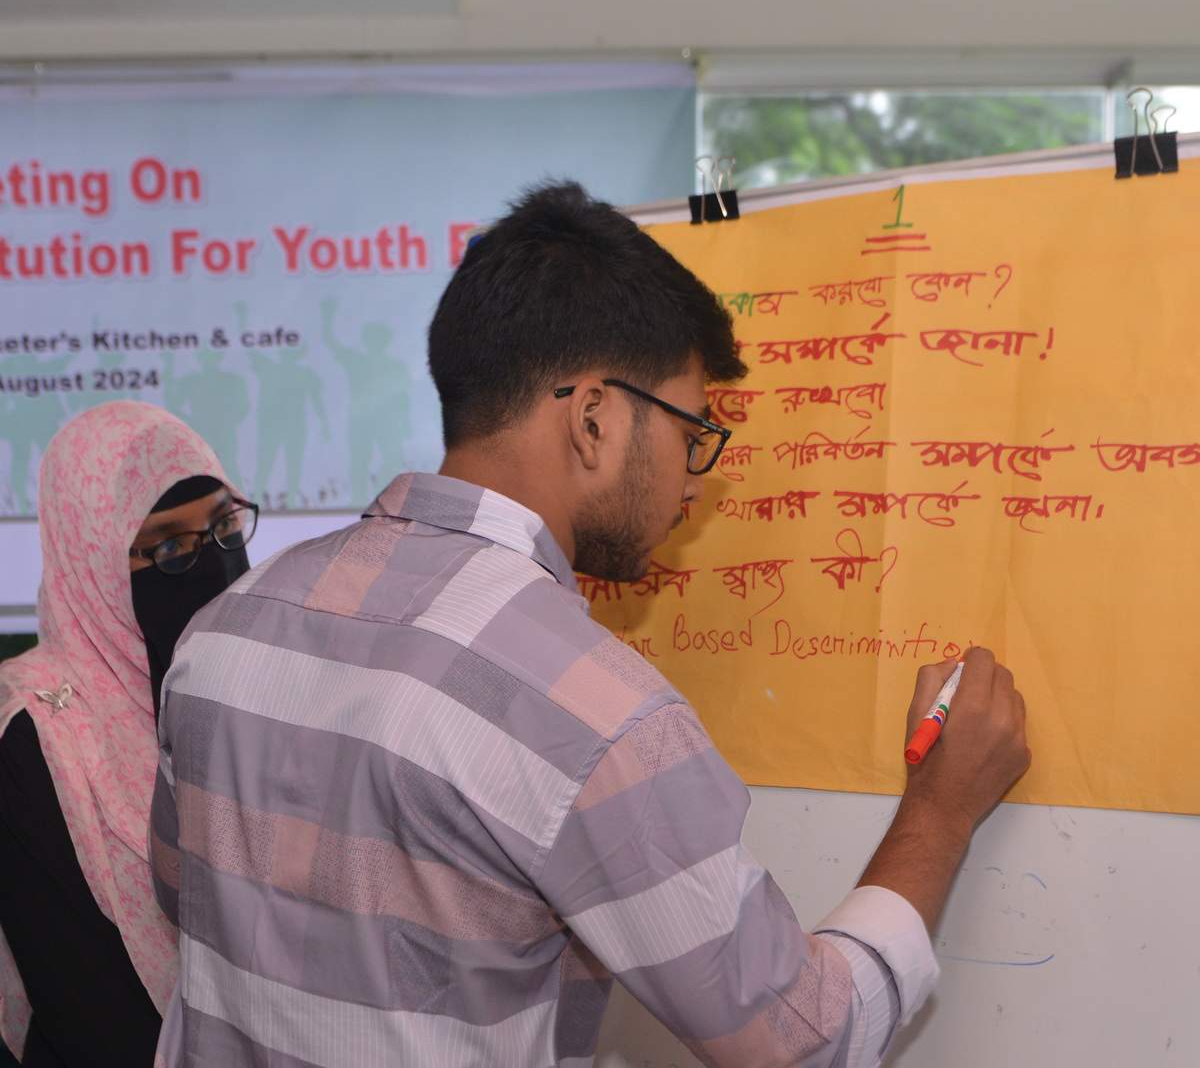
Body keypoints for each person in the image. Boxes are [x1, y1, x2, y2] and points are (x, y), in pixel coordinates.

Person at [151, 182, 1029, 1067]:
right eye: (693, 433)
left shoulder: (227, 628)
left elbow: (186, 893)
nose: (696, 481)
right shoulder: (592, 714)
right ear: (596, 418)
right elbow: (803, 1041)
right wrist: (941, 812)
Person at [0, 401, 258, 1066]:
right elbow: (82, 1000)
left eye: (225, 525)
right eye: (171, 546)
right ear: (94, 564)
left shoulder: (262, 690)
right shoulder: (34, 735)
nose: (216, 566)